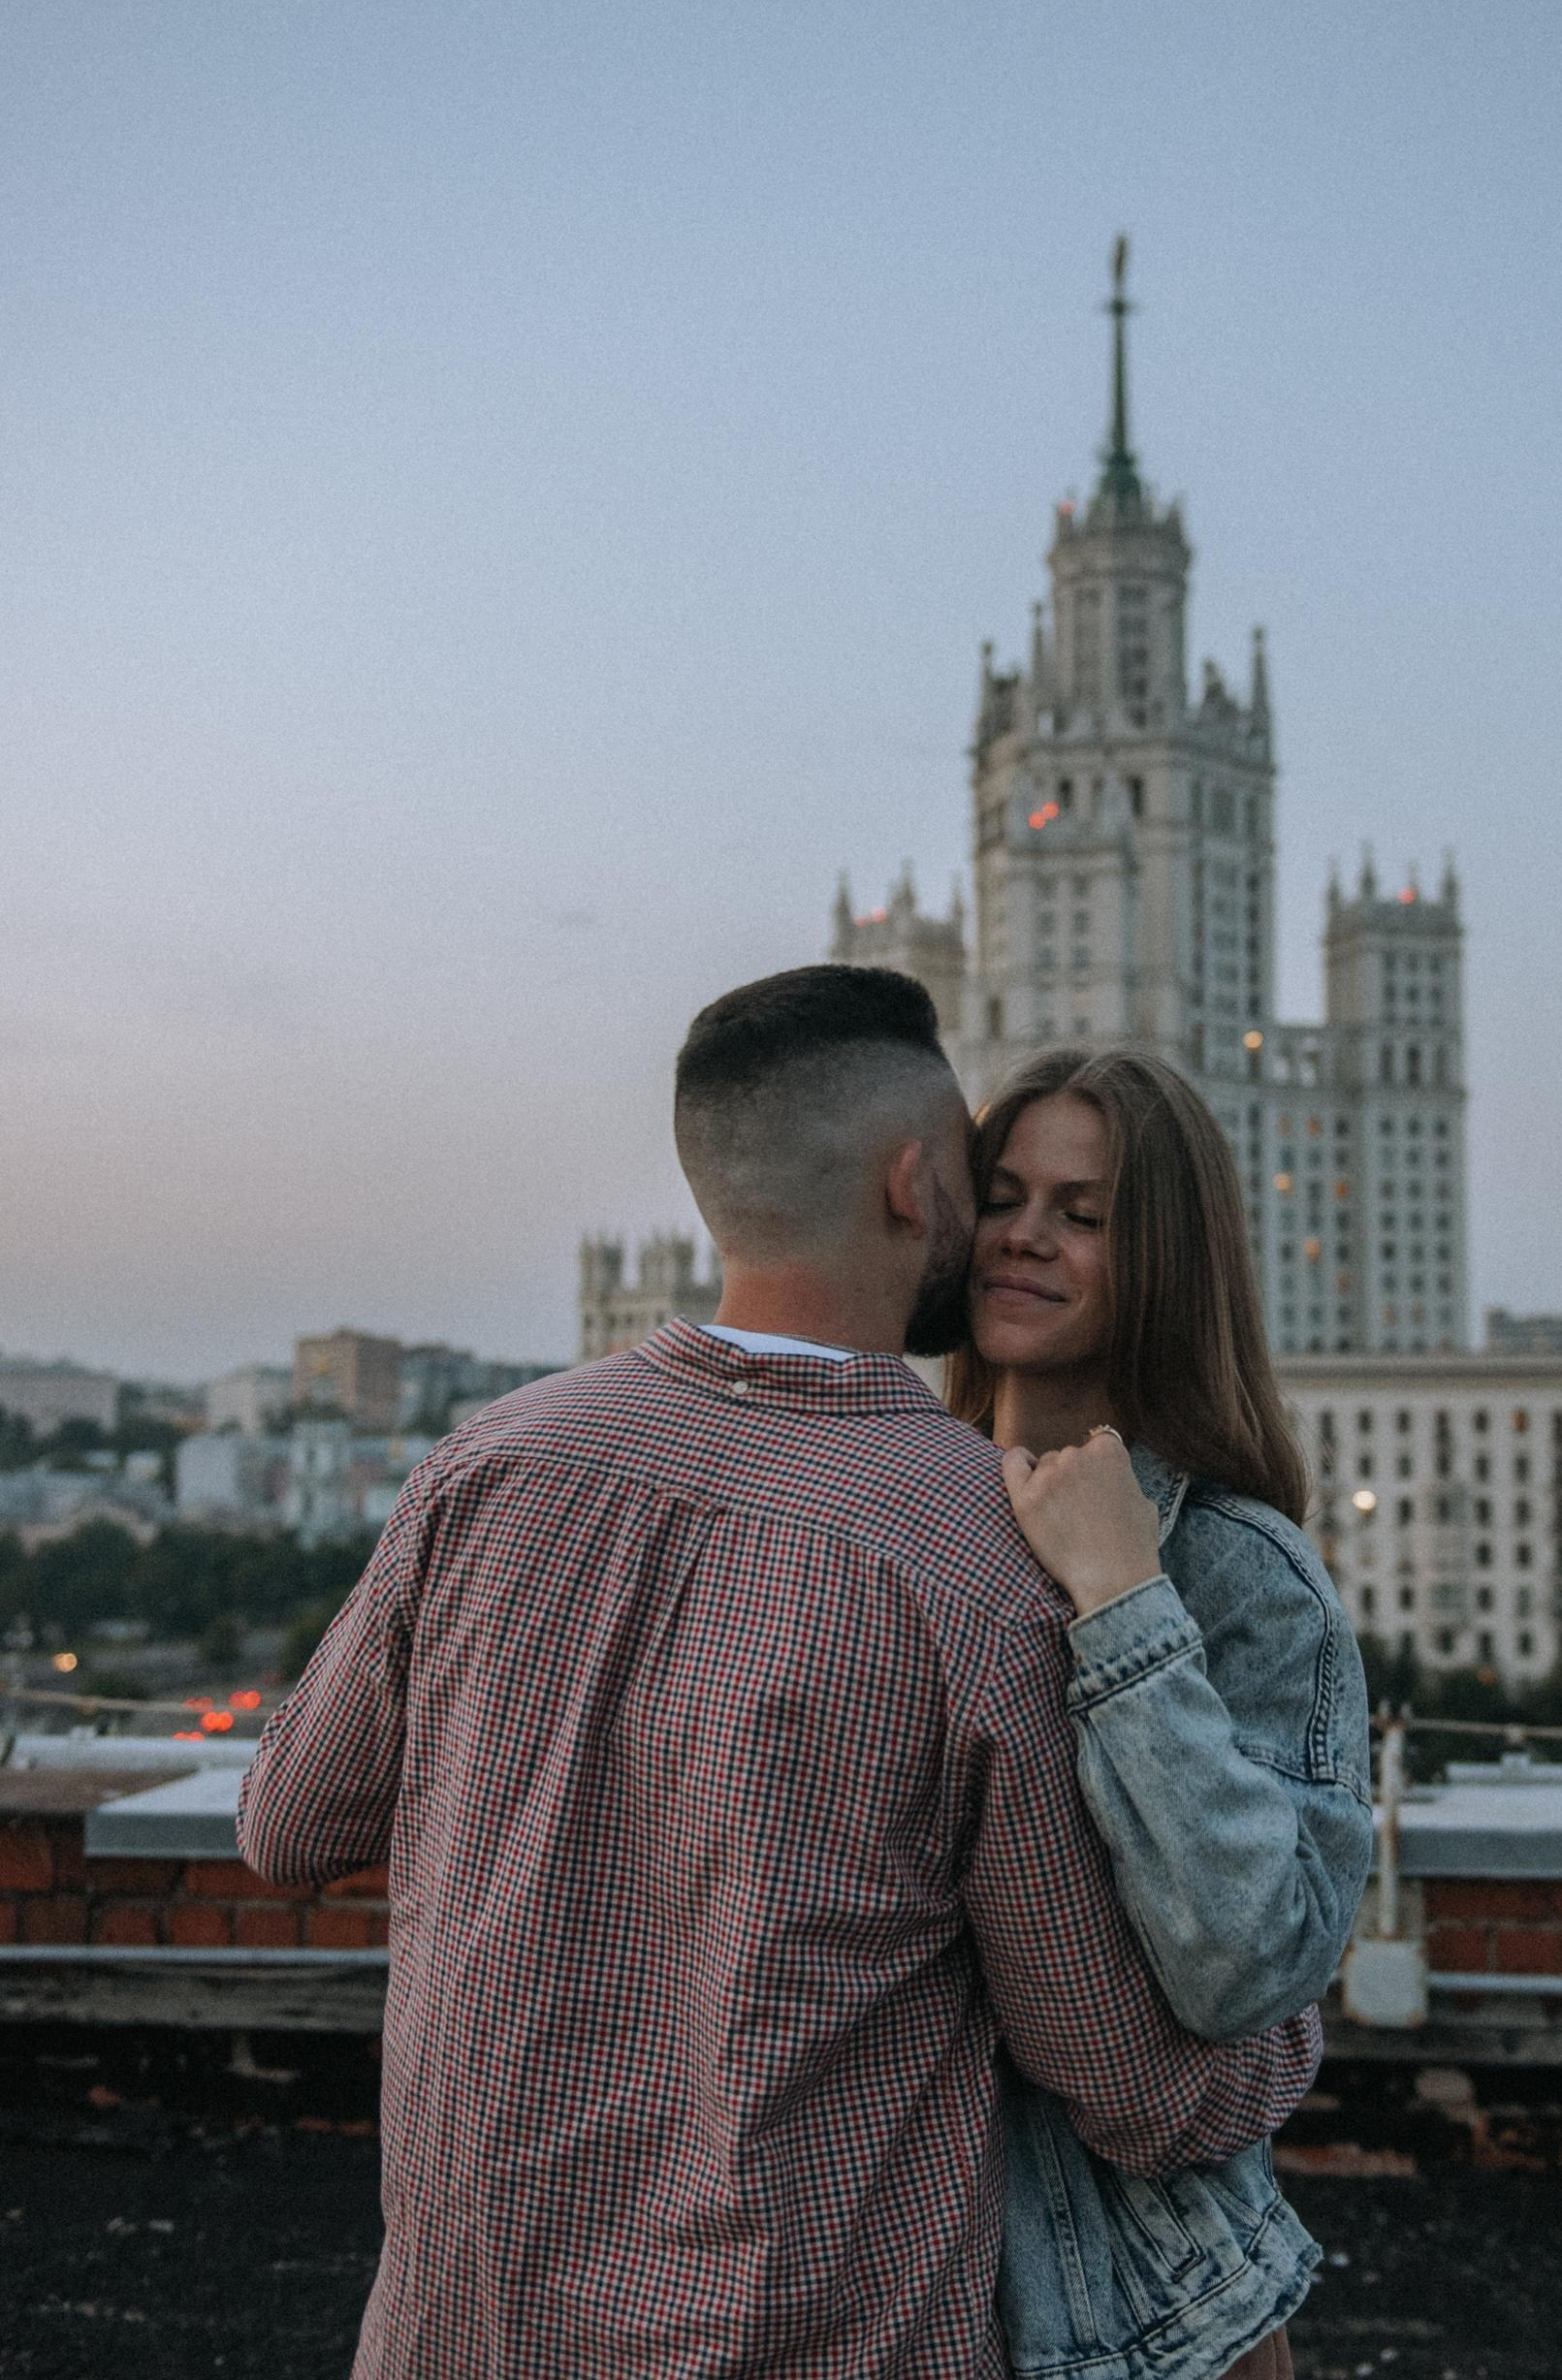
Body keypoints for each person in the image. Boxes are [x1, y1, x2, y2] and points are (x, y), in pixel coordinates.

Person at [237, 967, 1322, 2379]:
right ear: (912, 1187)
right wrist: (1281, 2043)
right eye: (987, 1182)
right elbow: (1130, 2086)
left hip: (461, 2336)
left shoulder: (487, 1464)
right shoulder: (982, 1556)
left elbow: (284, 1829)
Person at [946, 1045, 1374, 2380]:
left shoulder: (1240, 1573)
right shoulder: (905, 1513)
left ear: (1169, 1262)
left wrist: (1121, 1593)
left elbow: (1250, 1960)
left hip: (1142, 2305)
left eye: (1083, 1214)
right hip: (890, 2262)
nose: (1023, 1237)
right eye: (1004, 1194)